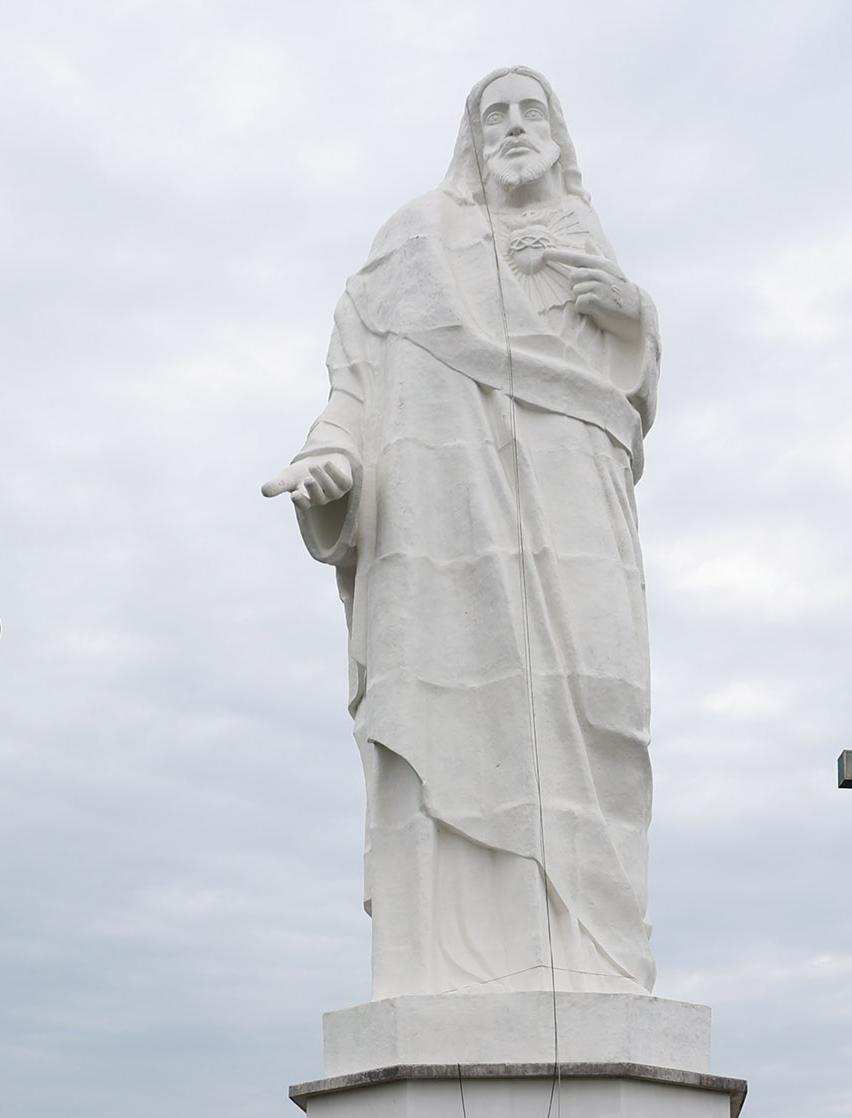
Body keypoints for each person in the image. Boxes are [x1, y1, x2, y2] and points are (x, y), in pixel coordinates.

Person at [264, 67, 662, 999]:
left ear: (561, 136)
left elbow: (634, 400)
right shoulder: (413, 245)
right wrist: (336, 464)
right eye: (497, 114)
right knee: (451, 707)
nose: (516, 127)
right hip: (447, 533)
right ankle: (452, 973)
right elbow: (354, 387)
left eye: (533, 112)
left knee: (601, 718)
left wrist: (634, 317)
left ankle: (595, 961)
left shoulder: (591, 248)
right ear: (471, 138)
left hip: (579, 523)